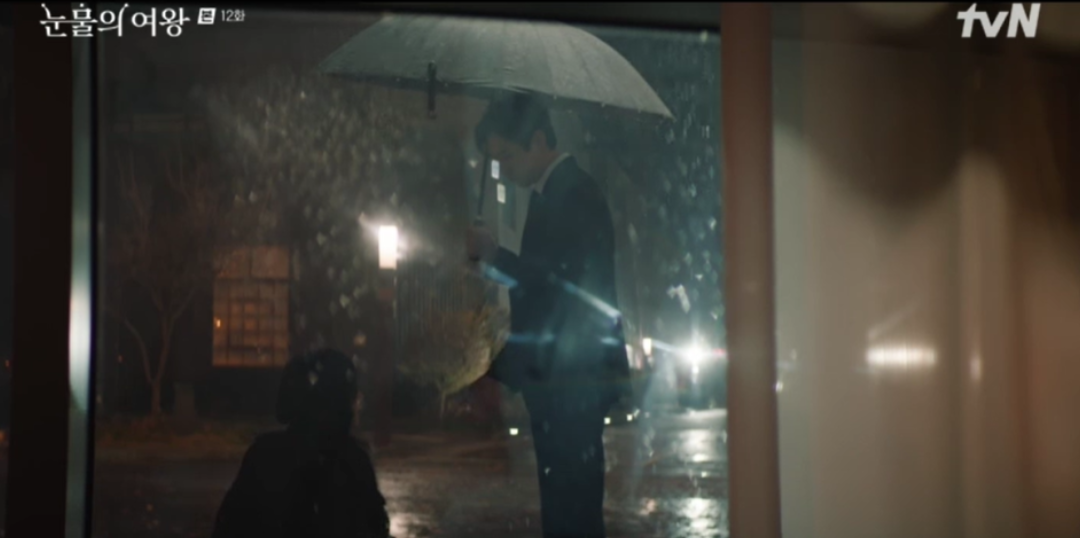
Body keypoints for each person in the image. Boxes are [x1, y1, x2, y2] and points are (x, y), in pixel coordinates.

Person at [466, 93, 631, 538]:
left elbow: (557, 286)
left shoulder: (573, 193)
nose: (503, 168)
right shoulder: (558, 192)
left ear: (538, 140)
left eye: (507, 155)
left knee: (570, 512)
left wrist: (494, 255)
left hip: (571, 379)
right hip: (567, 379)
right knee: (567, 509)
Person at [211, 348, 391, 538]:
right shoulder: (353, 462)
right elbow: (374, 527)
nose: (357, 404)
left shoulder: (267, 454)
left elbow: (228, 526)